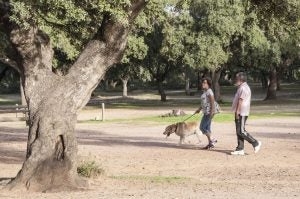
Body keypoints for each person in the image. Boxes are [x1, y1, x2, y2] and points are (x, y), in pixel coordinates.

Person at [231, 72, 262, 155]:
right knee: (238, 131)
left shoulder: (244, 88)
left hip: (242, 112)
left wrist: (237, 112)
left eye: (236, 78)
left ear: (240, 79)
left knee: (241, 131)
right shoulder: (241, 87)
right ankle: (240, 149)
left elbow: (241, 101)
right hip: (239, 112)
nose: (235, 80)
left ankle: (255, 143)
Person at [195, 77, 218, 149]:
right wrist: (199, 109)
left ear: (208, 84)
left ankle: (212, 139)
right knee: (207, 128)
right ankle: (210, 144)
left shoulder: (209, 92)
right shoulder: (205, 92)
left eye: (204, 83)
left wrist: (212, 112)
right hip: (206, 111)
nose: (203, 84)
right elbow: (203, 103)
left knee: (202, 127)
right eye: (202, 82)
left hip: (209, 112)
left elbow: (212, 102)